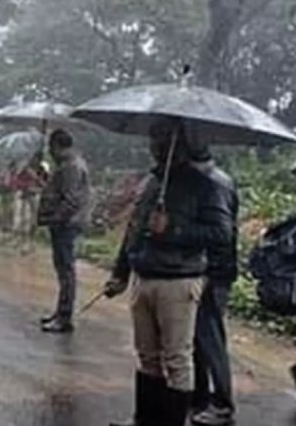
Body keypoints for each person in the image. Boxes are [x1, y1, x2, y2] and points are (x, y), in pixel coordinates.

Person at [105, 119, 234, 426]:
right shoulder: (151, 182)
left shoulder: (206, 185)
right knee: (147, 357)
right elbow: (134, 230)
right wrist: (121, 272)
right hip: (144, 278)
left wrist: (173, 228)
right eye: (153, 139)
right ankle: (144, 420)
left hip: (179, 282)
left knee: (177, 359)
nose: (155, 145)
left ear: (180, 143)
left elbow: (221, 233)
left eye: (162, 139)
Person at [190, 146, 239, 426]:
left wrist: (210, 271)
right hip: (210, 271)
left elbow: (222, 234)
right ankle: (200, 396)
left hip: (215, 273)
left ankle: (222, 403)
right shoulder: (216, 180)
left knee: (211, 338)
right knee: (198, 337)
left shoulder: (214, 184)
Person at [37, 129, 92, 333]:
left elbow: (70, 199)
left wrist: (57, 219)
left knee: (66, 270)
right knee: (63, 270)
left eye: (51, 147)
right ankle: (61, 313)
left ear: (57, 146)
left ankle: (64, 316)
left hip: (66, 225)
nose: (50, 152)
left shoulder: (71, 166)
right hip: (66, 223)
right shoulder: (68, 165)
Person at [10, 153, 49, 253]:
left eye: (37, 159)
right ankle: (19, 240)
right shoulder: (23, 168)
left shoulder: (43, 169)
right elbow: (15, 181)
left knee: (32, 220)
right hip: (22, 194)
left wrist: (36, 180)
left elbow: (45, 185)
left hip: (35, 195)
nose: (34, 161)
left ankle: (29, 242)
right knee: (19, 219)